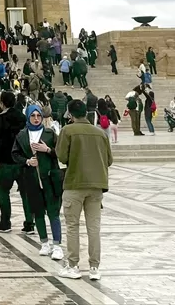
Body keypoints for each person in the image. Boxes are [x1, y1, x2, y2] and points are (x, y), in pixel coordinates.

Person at [55, 99, 112, 281]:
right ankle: (94, 267)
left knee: (73, 227)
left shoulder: (68, 130)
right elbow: (109, 160)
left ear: (70, 114)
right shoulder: (100, 133)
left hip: (74, 183)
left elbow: (62, 156)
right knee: (93, 228)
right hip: (96, 186)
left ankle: (73, 266)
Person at [13, 104, 64, 259]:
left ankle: (57, 245)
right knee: (38, 212)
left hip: (50, 179)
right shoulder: (21, 135)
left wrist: (47, 150)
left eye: (38, 116)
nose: (36, 119)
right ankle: (44, 243)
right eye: (33, 116)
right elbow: (15, 154)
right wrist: (27, 161)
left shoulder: (49, 134)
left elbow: (61, 153)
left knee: (53, 212)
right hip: (32, 179)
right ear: (28, 117)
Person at [0, 91, 31, 233]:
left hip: (6, 162)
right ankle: (29, 223)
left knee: (3, 192)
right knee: (25, 193)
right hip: (21, 160)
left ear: (2, 103)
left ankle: (5, 222)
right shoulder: (22, 117)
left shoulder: (1, 118)